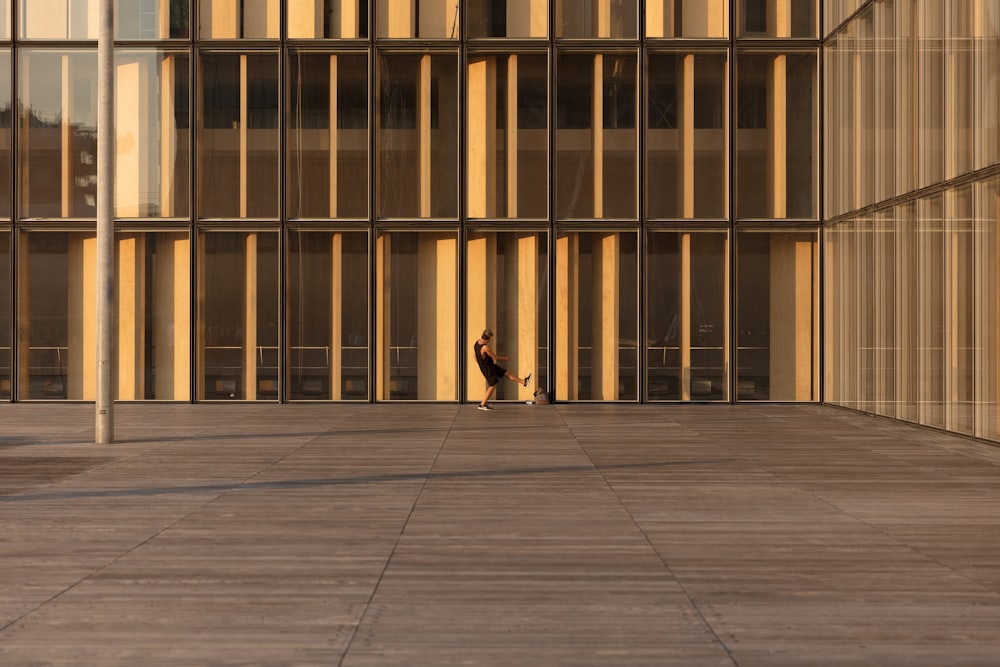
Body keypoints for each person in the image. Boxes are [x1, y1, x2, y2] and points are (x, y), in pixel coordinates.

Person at [473, 328, 530, 411]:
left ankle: (523, 382)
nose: (490, 340)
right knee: (492, 385)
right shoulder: (485, 348)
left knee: (505, 373)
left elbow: (474, 355)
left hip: (489, 366)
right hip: (488, 368)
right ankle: (482, 404)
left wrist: (480, 363)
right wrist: (505, 358)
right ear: (488, 338)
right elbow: (495, 357)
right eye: (490, 339)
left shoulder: (477, 342)